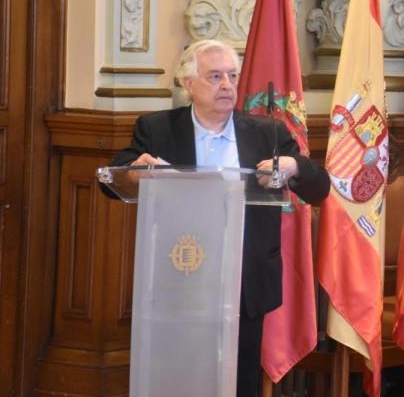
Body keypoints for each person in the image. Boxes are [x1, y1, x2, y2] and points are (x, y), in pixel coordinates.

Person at [105, 39, 331, 396]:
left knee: (240, 381)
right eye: (214, 76)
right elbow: (115, 178)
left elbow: (319, 189)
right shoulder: (158, 130)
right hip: (180, 275)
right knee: (179, 378)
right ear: (187, 83)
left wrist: (293, 166)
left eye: (231, 75)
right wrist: (135, 172)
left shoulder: (267, 133)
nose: (227, 85)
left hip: (246, 277)